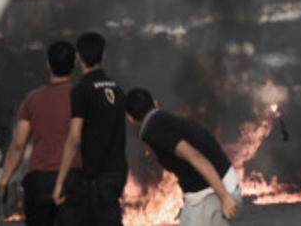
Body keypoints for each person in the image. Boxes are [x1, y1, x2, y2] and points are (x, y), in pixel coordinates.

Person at [0, 41, 83, 225]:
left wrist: (4, 182)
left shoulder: (32, 99)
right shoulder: (82, 96)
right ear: (74, 64)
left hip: (39, 181)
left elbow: (18, 145)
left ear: (48, 64)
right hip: (73, 178)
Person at [124, 88, 241, 225]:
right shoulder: (162, 121)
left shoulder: (155, 130)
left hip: (214, 191)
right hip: (203, 193)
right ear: (155, 103)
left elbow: (195, 157)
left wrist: (224, 197)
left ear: (130, 118)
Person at [53, 33, 128, 225]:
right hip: (118, 172)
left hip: (97, 176)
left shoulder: (81, 90)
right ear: (103, 56)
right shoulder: (117, 89)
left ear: (78, 58)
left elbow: (75, 138)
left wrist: (60, 180)